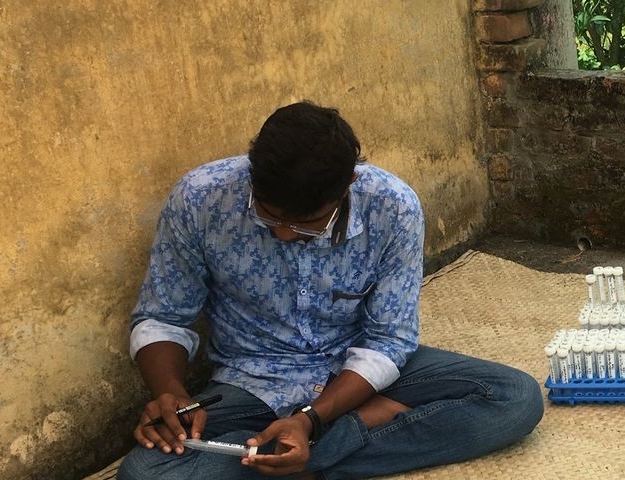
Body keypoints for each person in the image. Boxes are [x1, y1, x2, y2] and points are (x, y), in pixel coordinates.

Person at [118, 102, 544, 480]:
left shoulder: (393, 207)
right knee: (145, 472)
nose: (285, 234)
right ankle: (349, 436)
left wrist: (311, 420)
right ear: (252, 175)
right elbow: (163, 316)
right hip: (253, 381)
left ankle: (294, 453)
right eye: (270, 217)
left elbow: (388, 340)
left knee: (514, 397)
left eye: (306, 223)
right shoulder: (200, 199)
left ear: (347, 187)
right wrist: (170, 392)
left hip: (359, 375)